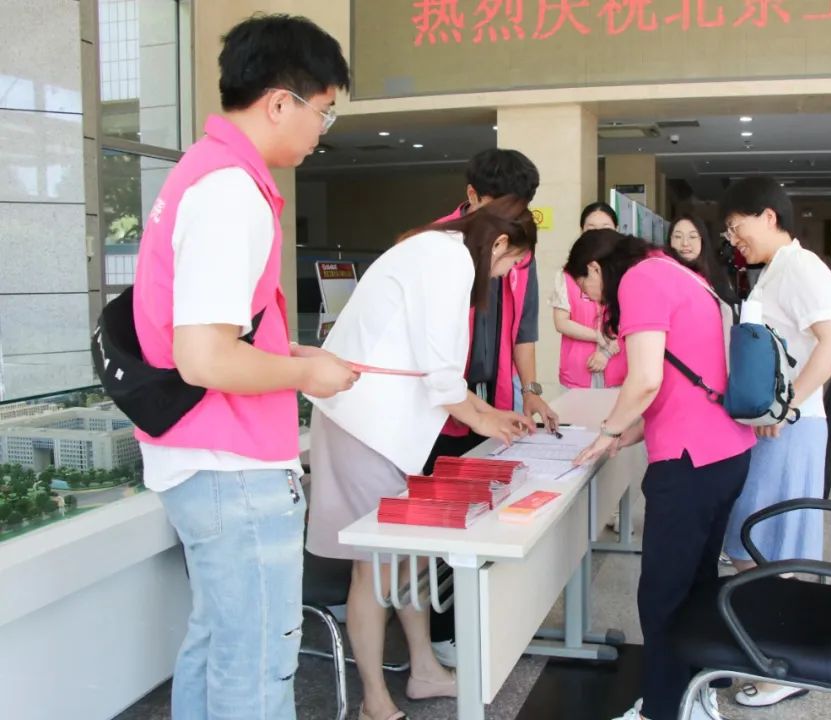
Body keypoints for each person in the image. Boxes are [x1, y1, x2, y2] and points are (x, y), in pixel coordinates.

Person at [130, 15, 357, 720]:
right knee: (257, 665)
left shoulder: (204, 171)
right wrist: (306, 377)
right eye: (323, 111)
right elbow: (204, 357)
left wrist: (289, 354)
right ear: (281, 102)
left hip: (203, 459)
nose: (322, 131)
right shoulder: (231, 192)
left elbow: (208, 335)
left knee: (219, 644)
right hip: (231, 464)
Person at [306, 197, 538, 720]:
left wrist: (491, 414)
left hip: (385, 425)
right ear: (500, 242)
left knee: (409, 555)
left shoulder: (439, 251)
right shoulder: (448, 259)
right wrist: (487, 421)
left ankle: (425, 671)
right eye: (510, 263)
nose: (505, 275)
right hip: (363, 424)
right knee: (375, 567)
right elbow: (441, 374)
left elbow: (435, 372)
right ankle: (374, 700)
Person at [568, 230, 757, 720]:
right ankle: (696, 695)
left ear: (595, 267)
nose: (591, 299)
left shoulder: (639, 280)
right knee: (696, 583)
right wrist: (624, 435)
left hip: (690, 464)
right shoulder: (680, 273)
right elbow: (685, 379)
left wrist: (608, 431)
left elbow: (647, 378)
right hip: (728, 451)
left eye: (585, 287)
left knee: (662, 595)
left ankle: (661, 711)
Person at [719, 177, 831, 708]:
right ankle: (769, 649)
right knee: (753, 540)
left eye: (737, 226)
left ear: (768, 216)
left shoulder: (801, 267)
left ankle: (786, 665)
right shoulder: (775, 270)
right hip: (775, 426)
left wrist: (788, 403)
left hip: (791, 428)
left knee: (774, 547)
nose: (734, 238)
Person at [424, 148, 559, 666]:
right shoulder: (438, 244)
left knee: (491, 508)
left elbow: (525, 327)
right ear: (472, 196)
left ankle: (484, 617)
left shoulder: (521, 247)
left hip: (494, 397)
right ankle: (444, 629)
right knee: (446, 513)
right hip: (442, 403)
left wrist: (531, 388)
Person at [550, 202, 625, 390]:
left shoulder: (628, 272)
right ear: (581, 231)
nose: (598, 235)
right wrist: (598, 336)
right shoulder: (567, 274)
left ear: (616, 230)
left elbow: (632, 324)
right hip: (576, 375)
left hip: (619, 376)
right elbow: (561, 322)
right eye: (591, 229)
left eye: (605, 228)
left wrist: (606, 353)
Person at [666, 214, 738, 304]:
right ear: (670, 241)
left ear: (702, 241)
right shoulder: (661, 276)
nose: (685, 243)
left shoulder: (717, 277)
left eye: (692, 236)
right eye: (678, 236)